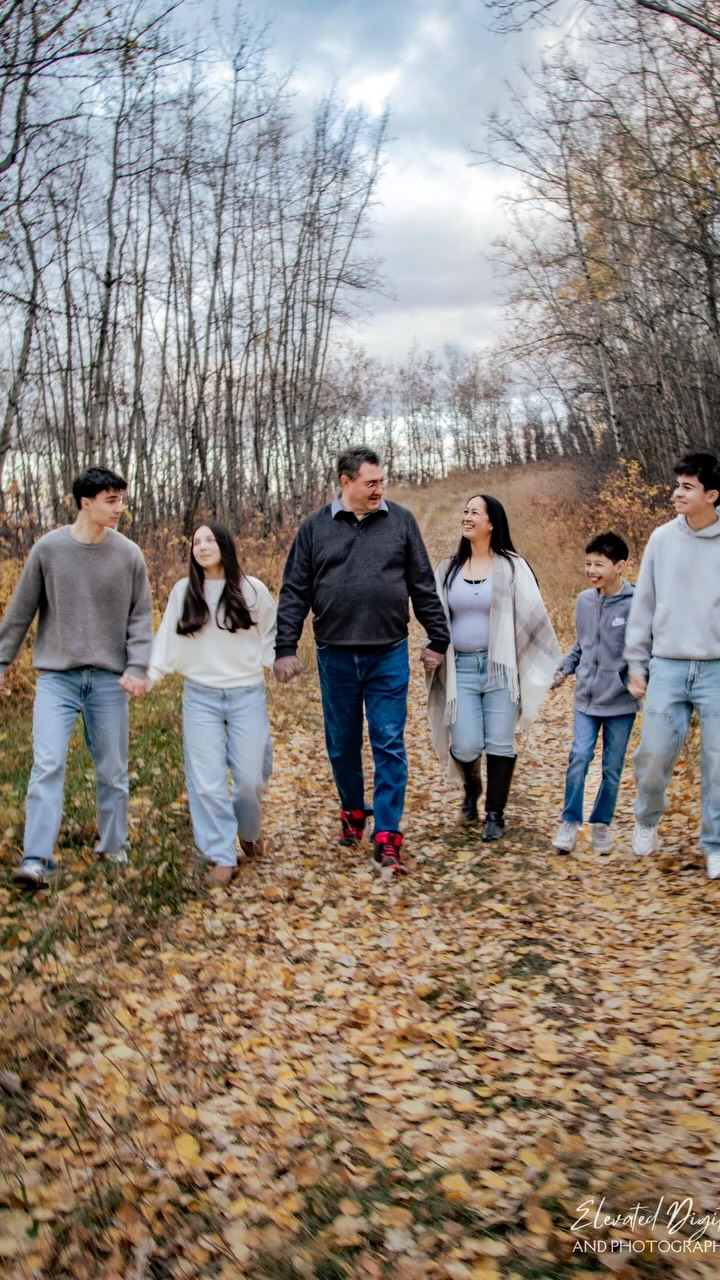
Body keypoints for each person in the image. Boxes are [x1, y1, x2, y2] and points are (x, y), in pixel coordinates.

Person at [273, 445, 450, 880]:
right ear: (345, 482)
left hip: (388, 651)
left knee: (388, 740)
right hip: (335, 654)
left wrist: (438, 636)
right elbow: (295, 589)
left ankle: (387, 834)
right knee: (342, 743)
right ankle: (353, 810)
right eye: (370, 483)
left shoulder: (401, 522)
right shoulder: (314, 528)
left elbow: (422, 583)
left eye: (381, 482)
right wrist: (285, 647)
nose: (379, 490)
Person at [0, 466, 152, 890]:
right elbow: (20, 611)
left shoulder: (129, 555)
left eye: (121, 499)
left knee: (112, 770)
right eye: (111, 500)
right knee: (47, 765)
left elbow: (140, 618)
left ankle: (114, 846)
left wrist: (138, 667)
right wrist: (2, 661)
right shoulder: (48, 550)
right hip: (57, 678)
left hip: (109, 680)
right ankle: (36, 860)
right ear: (85, 503)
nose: (119, 508)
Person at [424, 493, 560, 842]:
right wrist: (432, 647)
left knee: (500, 742)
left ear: (491, 523)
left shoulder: (512, 567)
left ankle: (494, 815)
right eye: (465, 511)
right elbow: (435, 617)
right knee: (465, 745)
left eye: (475, 512)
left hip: (501, 669)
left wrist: (546, 664)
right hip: (462, 669)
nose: (467, 517)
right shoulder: (448, 568)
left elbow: (534, 616)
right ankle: (472, 788)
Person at [149, 522, 276, 886]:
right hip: (200, 696)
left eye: (209, 540)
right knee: (206, 782)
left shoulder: (253, 590)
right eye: (196, 542)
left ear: (225, 545)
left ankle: (248, 830)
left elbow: (271, 633)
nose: (202, 546)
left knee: (250, 778)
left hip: (246, 693)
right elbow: (165, 642)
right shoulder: (184, 591)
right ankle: (220, 854)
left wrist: (278, 662)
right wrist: (148, 676)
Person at [624, 452, 720, 876]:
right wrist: (636, 662)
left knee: (718, 762)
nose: (676, 493)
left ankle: (714, 843)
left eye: (687, 487)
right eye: (677, 484)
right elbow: (643, 604)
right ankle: (646, 818)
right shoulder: (662, 539)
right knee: (654, 754)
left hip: (716, 669)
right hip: (667, 665)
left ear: (711, 495)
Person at [550, 532, 638, 855]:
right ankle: (569, 822)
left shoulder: (636, 603)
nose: (591, 570)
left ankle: (601, 825)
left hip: (621, 701)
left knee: (612, 769)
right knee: (579, 757)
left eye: (599, 564)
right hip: (586, 698)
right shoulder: (584, 601)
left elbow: (644, 648)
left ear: (620, 566)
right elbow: (581, 644)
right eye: (588, 563)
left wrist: (636, 679)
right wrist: (563, 669)